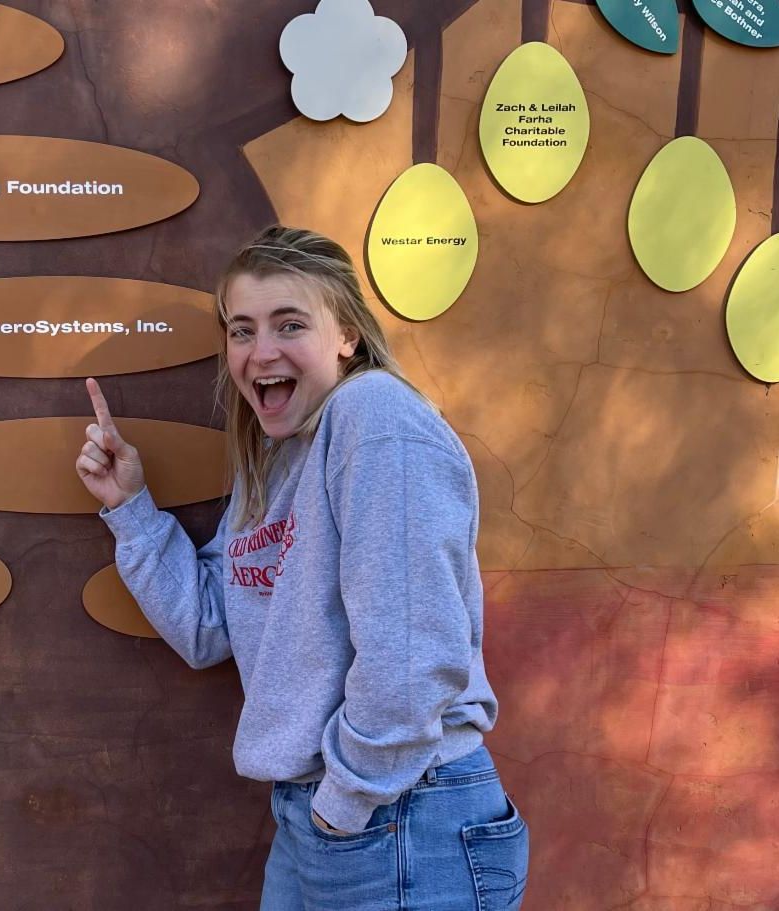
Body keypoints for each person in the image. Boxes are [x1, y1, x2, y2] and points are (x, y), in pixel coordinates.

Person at [75, 225, 529, 910]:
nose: (261, 352)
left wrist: (342, 804)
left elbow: (411, 658)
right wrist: (130, 507)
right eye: (240, 329)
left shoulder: (372, 417)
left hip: (399, 811)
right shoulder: (279, 458)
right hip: (328, 813)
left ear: (345, 333)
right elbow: (206, 626)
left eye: (289, 324)